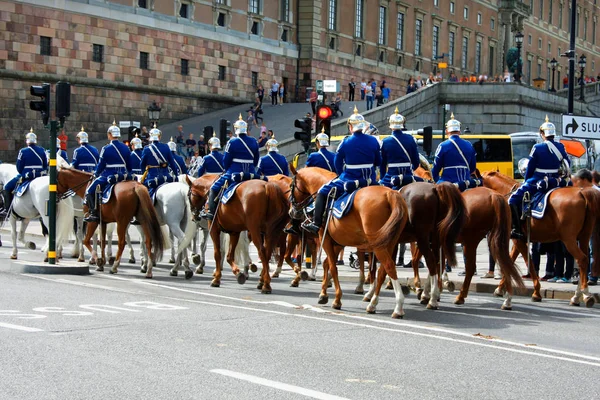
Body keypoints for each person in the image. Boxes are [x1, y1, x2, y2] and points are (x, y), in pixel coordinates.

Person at [302, 107, 381, 234]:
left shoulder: (345, 142)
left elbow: (337, 163)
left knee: (322, 191)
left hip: (349, 179)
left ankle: (316, 224)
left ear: (350, 127)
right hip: (370, 180)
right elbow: (378, 162)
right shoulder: (373, 140)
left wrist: (341, 174)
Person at [508, 116, 569, 240]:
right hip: (556, 181)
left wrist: (526, 180)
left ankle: (517, 229)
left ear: (542, 134)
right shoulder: (561, 147)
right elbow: (567, 163)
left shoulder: (537, 147)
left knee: (512, 199)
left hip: (537, 180)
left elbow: (530, 167)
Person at [200, 114, 260, 220]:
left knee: (214, 188)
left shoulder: (232, 142)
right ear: (245, 129)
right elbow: (256, 160)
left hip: (233, 172)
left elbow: (226, 161)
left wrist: (227, 169)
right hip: (251, 172)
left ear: (235, 129)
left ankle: (211, 213)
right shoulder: (254, 141)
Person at [83, 121, 132, 222]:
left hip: (108, 174)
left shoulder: (106, 148)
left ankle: (93, 213)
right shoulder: (126, 148)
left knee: (89, 191)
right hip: (123, 174)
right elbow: (129, 165)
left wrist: (96, 174)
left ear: (110, 135)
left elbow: (101, 164)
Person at [3, 128, 48, 210]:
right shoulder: (42, 150)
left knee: (7, 187)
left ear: (27, 141)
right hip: (40, 175)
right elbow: (45, 165)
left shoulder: (23, 151)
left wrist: (23, 173)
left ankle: (7, 210)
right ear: (35, 140)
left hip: (27, 175)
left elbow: (19, 167)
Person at [379, 108, 420, 188]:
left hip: (390, 177)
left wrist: (382, 178)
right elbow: (416, 162)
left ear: (390, 126)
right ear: (402, 125)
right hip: (408, 176)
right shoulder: (411, 139)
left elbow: (382, 164)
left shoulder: (385, 141)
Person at [432, 113, 477, 184]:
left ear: (447, 131)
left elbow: (436, 168)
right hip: (465, 182)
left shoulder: (443, 146)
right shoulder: (469, 145)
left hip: (448, 182)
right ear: (459, 131)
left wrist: (437, 180)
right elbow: (472, 167)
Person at [140, 124, 180, 191]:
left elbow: (142, 164)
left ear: (150, 137)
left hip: (152, 177)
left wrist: (144, 175)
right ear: (159, 137)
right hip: (166, 176)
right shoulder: (166, 147)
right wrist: (176, 175)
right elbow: (172, 163)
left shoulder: (146, 149)